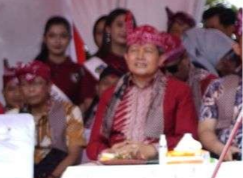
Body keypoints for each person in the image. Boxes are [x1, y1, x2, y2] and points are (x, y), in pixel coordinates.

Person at [86, 23, 198, 161]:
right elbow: (94, 144)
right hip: (115, 168)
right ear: (126, 57)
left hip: (159, 168)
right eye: (134, 50)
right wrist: (109, 153)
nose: (140, 56)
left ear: (161, 59)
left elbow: (188, 139)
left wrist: (153, 149)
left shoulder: (179, 91)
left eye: (148, 51)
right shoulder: (110, 94)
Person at [16, 62, 83, 178]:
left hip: (57, 173)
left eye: (37, 83)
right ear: (20, 89)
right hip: (25, 174)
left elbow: (74, 154)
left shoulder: (68, 111)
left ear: (48, 86)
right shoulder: (13, 115)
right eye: (25, 84)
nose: (31, 89)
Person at [198, 21, 243, 160]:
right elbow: (205, 129)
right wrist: (221, 149)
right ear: (237, 48)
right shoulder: (219, 86)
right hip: (229, 166)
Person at [35, 16, 97, 114]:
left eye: (63, 36)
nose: (57, 41)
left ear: (70, 39)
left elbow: (88, 103)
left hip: (71, 126)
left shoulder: (79, 70)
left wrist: (71, 119)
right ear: (45, 39)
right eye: (52, 36)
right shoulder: (35, 69)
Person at [163, 34, 216, 117]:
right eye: (161, 70)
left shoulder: (209, 83)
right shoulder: (157, 84)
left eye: (172, 69)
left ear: (186, 58)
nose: (167, 74)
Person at [90, 8, 131, 75]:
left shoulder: (138, 59)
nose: (124, 29)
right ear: (108, 29)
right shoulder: (98, 63)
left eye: (128, 26)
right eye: (119, 25)